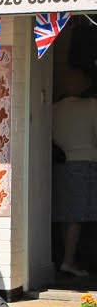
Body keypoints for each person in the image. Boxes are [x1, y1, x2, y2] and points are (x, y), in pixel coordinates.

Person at [52, 68, 97, 277]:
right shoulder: (91, 105)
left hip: (61, 162)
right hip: (85, 161)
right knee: (77, 215)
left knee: (66, 214)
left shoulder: (53, 108)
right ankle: (69, 260)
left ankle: (66, 258)